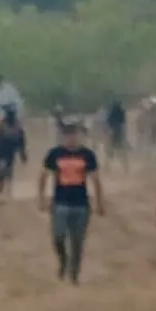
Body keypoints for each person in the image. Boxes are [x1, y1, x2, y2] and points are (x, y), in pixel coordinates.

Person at [38, 121, 105, 285]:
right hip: (60, 202)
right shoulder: (55, 154)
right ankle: (63, 261)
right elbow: (43, 176)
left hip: (81, 204)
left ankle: (74, 273)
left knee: (77, 241)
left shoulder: (88, 155)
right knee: (58, 236)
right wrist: (41, 198)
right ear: (64, 136)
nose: (72, 138)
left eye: (75, 135)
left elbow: (96, 180)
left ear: (79, 136)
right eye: (69, 135)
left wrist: (99, 202)